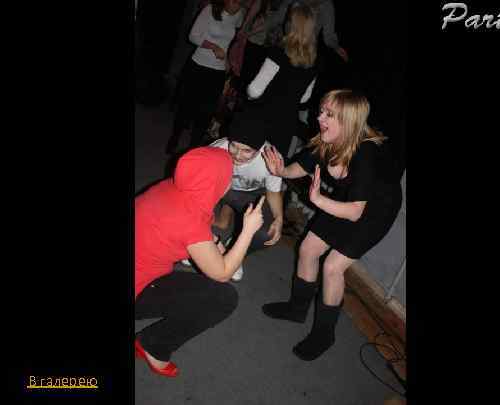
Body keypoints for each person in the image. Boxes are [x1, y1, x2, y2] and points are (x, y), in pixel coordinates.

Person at [261, 89, 402, 361]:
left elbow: (355, 213)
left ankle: (324, 335)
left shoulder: (365, 153)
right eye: (321, 111)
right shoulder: (327, 140)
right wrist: (281, 171)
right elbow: (302, 166)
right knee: (308, 249)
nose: (320, 118)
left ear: (348, 121)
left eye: (329, 114)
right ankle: (296, 309)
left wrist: (318, 200)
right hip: (348, 199)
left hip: (376, 209)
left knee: (333, 266)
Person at [135, 147, 265, 377]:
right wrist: (248, 231)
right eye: (228, 176)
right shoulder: (191, 220)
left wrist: (214, 241)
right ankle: (153, 345)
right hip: (139, 287)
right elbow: (223, 273)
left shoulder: (171, 187)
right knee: (223, 298)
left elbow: (188, 227)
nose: (230, 181)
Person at [231, 1, 319, 157]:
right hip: (284, 127)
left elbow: (254, 90)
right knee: (270, 169)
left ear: (290, 25)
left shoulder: (278, 54)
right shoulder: (313, 65)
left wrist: (249, 94)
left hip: (258, 122)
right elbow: (304, 99)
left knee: (242, 164)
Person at [208, 118, 285, 281]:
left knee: (267, 233)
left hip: (252, 195)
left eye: (246, 151)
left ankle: (235, 251)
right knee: (193, 209)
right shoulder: (218, 148)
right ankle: (199, 247)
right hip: (219, 188)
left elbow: (273, 192)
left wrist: (279, 218)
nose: (237, 155)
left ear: (259, 149)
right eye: (234, 146)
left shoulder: (271, 158)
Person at [166, 0, 245, 155]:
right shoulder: (210, 9)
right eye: (234, 2)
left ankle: (194, 150)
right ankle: (174, 137)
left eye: (240, 3)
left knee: (206, 113)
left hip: (218, 71)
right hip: (198, 66)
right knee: (186, 107)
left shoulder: (239, 15)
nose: (237, 6)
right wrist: (214, 47)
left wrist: (229, 58)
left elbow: (235, 39)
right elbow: (193, 36)